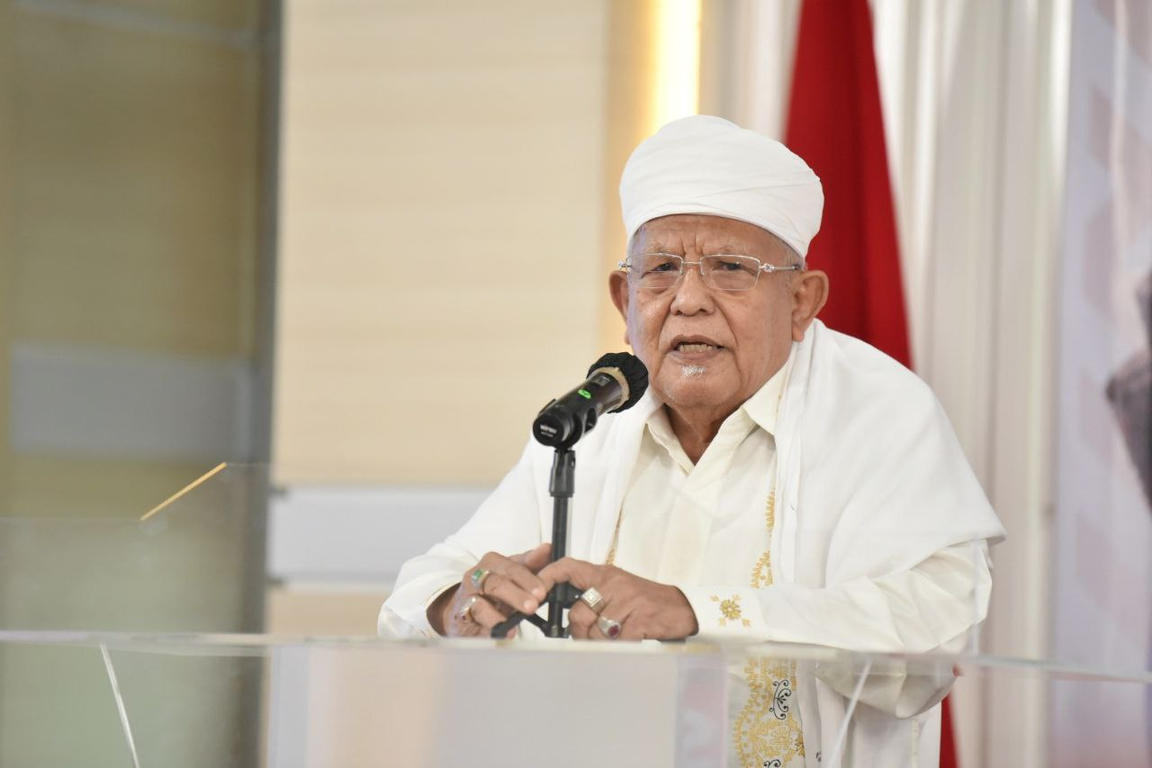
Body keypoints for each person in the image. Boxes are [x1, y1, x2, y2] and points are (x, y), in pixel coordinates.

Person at [378, 115, 1005, 766]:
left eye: (731, 269)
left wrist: (696, 612)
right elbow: (422, 587)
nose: (688, 301)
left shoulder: (879, 413)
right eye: (662, 270)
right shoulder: (590, 422)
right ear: (626, 300)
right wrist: (459, 606)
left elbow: (930, 633)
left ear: (802, 301)